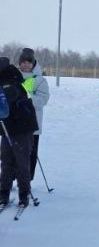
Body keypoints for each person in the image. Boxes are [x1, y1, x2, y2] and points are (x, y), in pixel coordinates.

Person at [0, 60, 38, 208]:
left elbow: (8, 103)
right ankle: (3, 193)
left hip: (22, 127)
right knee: (6, 160)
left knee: (22, 162)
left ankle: (24, 194)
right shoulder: (7, 76)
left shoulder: (10, 79)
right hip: (8, 127)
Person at [17, 49, 49, 183]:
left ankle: (26, 181)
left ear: (33, 63)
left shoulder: (39, 80)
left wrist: (27, 97)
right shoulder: (13, 77)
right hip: (15, 124)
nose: (25, 65)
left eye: (28, 62)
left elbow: (43, 100)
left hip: (32, 124)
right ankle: (11, 178)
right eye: (22, 62)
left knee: (30, 153)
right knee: (12, 153)